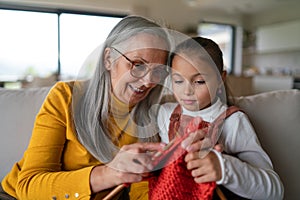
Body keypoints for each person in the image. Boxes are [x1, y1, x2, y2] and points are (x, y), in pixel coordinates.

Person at [1, 15, 172, 200]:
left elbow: (143, 191)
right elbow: (29, 186)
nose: (148, 81)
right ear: (108, 59)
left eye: (158, 71)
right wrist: (109, 174)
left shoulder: (155, 115)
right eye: (138, 65)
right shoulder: (65, 97)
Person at [157, 36, 284, 199]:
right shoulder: (164, 114)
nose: (187, 91)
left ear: (220, 78)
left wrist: (223, 167)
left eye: (199, 81)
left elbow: (274, 191)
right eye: (178, 80)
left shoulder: (232, 121)